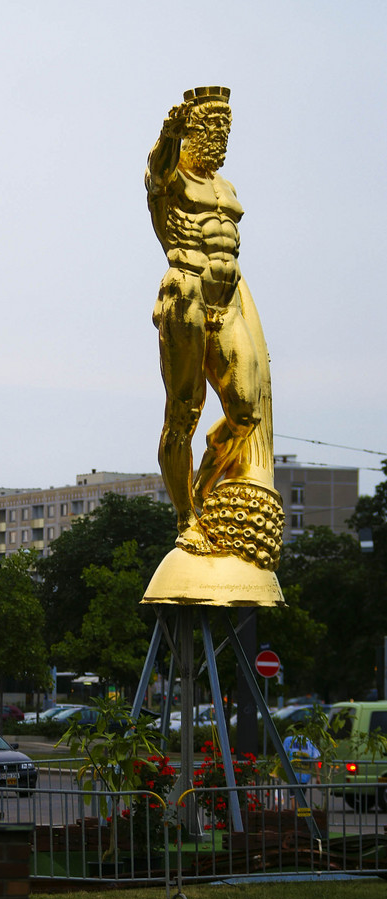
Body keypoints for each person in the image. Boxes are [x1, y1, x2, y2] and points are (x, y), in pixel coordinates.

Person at [146, 87, 282, 567]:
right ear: (190, 132)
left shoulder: (227, 187)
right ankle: (185, 517)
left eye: (225, 129)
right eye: (211, 128)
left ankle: (203, 488)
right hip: (187, 293)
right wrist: (167, 135)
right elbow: (155, 177)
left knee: (246, 410)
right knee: (183, 410)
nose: (220, 138)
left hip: (227, 303)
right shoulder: (170, 174)